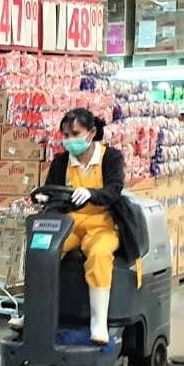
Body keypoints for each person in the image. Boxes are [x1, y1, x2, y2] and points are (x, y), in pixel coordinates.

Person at [42, 108, 126, 344]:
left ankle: (98, 322)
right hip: (69, 223)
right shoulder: (61, 162)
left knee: (99, 254)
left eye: (75, 134)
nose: (69, 140)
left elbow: (114, 190)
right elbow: (51, 190)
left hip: (102, 224)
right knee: (42, 249)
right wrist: (45, 197)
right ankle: (33, 311)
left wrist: (92, 194)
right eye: (65, 135)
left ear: (91, 133)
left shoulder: (110, 158)